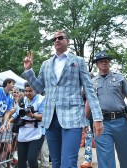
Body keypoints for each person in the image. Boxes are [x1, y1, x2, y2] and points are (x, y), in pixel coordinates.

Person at [22, 30, 104, 168]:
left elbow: (89, 90)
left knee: (68, 163)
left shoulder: (78, 61)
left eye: (60, 38)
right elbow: (39, 88)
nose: (57, 40)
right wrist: (29, 71)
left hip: (72, 118)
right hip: (50, 118)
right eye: (54, 39)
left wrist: (97, 117)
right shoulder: (46, 64)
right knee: (56, 163)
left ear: (68, 41)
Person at [87, 51, 127, 168]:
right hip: (101, 123)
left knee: (126, 155)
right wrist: (83, 121)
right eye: (101, 61)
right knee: (105, 158)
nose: (104, 62)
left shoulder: (120, 78)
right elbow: (89, 103)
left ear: (109, 62)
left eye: (106, 60)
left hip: (121, 121)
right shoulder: (92, 82)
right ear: (97, 64)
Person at [10, 83, 45, 168]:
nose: (27, 93)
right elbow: (17, 114)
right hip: (24, 131)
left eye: (30, 91)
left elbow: (44, 116)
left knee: (31, 158)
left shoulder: (41, 100)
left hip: (37, 131)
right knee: (21, 159)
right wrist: (8, 122)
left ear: (36, 90)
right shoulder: (23, 100)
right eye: (26, 91)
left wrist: (32, 115)